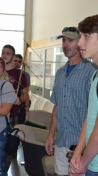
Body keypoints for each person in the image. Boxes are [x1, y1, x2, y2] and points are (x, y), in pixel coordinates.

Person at [44, 26, 97, 176]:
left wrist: (83, 149)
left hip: (82, 146)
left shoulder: (91, 72)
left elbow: (93, 113)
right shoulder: (60, 73)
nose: (66, 44)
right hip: (61, 142)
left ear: (80, 42)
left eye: (71, 40)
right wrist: (50, 135)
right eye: (64, 40)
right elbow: (57, 106)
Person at [69, 15, 98, 176]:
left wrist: (82, 164)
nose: (80, 43)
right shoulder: (95, 75)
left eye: (86, 36)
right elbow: (90, 118)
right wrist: (77, 153)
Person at [1, 45, 28, 127]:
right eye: (3, 53)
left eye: (8, 53)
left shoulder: (20, 74)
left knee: (12, 138)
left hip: (13, 114)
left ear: (13, 56)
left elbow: (25, 93)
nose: (4, 55)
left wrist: (20, 100)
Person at [13, 54, 31, 124]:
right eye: (15, 61)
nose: (17, 63)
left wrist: (26, 106)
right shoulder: (6, 72)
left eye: (19, 62)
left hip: (20, 101)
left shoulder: (25, 75)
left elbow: (26, 91)